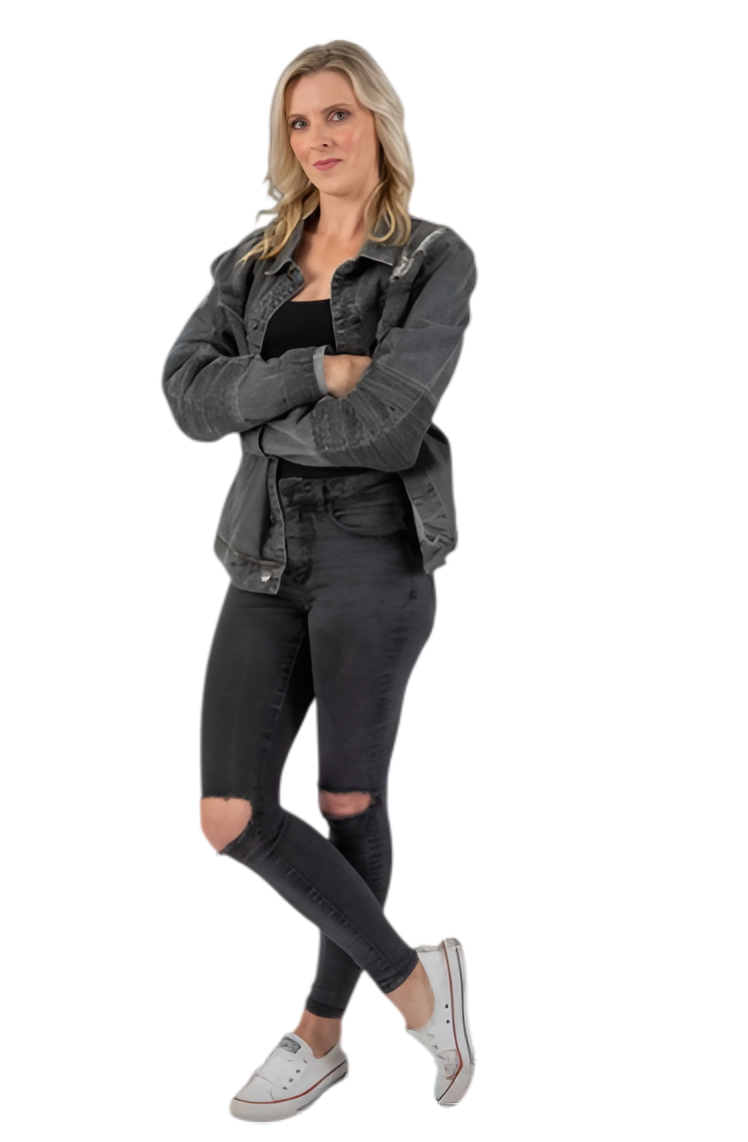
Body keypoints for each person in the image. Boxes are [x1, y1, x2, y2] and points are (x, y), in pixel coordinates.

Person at [159, 38, 478, 1122]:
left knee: (347, 800)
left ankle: (320, 1031)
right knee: (226, 814)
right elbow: (185, 393)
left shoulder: (431, 258)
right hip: (261, 551)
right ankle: (416, 987)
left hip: (374, 548)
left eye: (337, 114)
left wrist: (256, 417)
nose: (317, 138)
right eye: (299, 122)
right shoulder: (249, 264)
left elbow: (388, 426)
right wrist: (314, 369)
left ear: (377, 120)